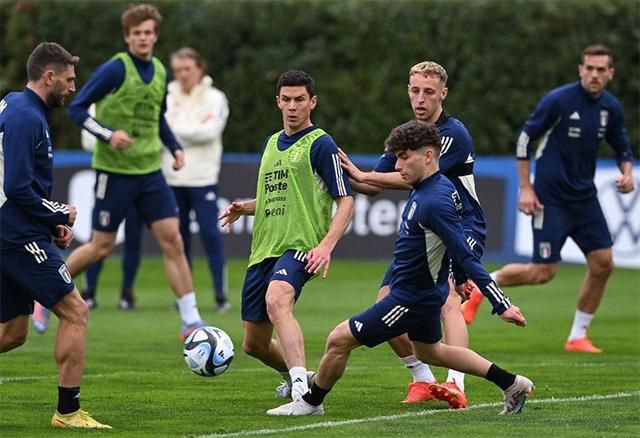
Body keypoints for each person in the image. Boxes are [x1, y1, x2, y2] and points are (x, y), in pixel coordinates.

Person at [266, 121, 533, 417]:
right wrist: (456, 279)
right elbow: (450, 246)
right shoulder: (430, 187)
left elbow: (466, 255)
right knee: (432, 352)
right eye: (396, 156)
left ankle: (311, 402)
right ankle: (512, 383)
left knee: (338, 339)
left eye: (405, 157)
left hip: (410, 298)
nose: (397, 164)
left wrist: (501, 304)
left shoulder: (434, 201)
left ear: (429, 156)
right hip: (422, 293)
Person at [461, 44, 635, 354]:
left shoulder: (611, 108)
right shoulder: (558, 101)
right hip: (550, 198)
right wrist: (526, 188)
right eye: (589, 69)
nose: (594, 75)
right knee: (543, 272)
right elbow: (524, 141)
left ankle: (577, 336)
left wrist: (626, 174)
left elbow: (622, 148)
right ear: (581, 69)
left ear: (610, 74)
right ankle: (481, 286)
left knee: (603, 263)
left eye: (601, 70)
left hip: (585, 199)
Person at [338, 61, 484, 408]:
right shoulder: (406, 134)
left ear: (443, 94)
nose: (420, 98)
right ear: (407, 90)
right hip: (423, 232)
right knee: (384, 300)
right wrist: (336, 173)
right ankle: (423, 380)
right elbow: (372, 185)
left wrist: (364, 174)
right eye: (415, 90)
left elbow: (406, 179)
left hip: (460, 224)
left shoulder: (452, 134)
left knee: (448, 299)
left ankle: (455, 383)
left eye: (429, 92)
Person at [63, 3, 206, 340]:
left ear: (155, 37)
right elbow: (77, 108)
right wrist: (108, 135)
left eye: (148, 33)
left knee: (174, 240)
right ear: (128, 36)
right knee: (100, 247)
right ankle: (43, 291)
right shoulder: (116, 69)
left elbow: (156, 119)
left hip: (149, 171)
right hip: (113, 171)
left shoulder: (158, 70)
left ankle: (191, 320)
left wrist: (175, 148)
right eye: (137, 33)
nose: (143, 38)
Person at [219, 70, 354, 402]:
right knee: (254, 344)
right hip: (263, 249)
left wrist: (325, 245)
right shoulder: (270, 144)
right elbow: (273, 199)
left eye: (300, 100)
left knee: (278, 300)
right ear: (278, 101)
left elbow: (346, 200)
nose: (293, 107)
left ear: (312, 102)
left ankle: (302, 394)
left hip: (300, 245)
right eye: (287, 100)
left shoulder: (321, 143)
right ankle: (297, 375)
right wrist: (245, 207)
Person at [0, 42, 110, 429]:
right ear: (49, 76)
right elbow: (15, 187)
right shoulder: (26, 117)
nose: (72, 87)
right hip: (15, 236)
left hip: (16, 230)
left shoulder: (17, 105)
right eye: (68, 79)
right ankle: (68, 411)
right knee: (75, 311)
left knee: (13, 332)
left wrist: (51, 223)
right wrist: (60, 212)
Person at [162, 47, 230, 312]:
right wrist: (185, 130)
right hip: (172, 177)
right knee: (178, 241)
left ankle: (220, 295)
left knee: (211, 235)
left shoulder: (215, 98)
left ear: (200, 68)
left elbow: (210, 133)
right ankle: (184, 299)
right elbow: (160, 132)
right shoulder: (166, 95)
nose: (182, 75)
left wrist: (173, 130)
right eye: (178, 70)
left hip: (203, 178)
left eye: (187, 69)